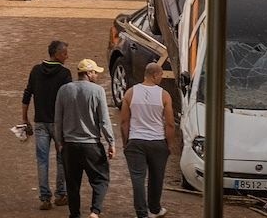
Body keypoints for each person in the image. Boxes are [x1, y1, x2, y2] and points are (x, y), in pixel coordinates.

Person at [54, 59, 115, 218]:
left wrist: (59, 142)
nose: (96, 75)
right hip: (91, 145)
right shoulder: (98, 91)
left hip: (69, 146)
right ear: (88, 73)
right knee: (101, 179)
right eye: (95, 72)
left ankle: (75, 215)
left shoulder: (63, 90)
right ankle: (95, 211)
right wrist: (111, 142)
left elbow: (58, 120)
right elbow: (104, 120)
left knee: (72, 184)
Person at [120, 62, 176, 218]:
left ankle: (141, 213)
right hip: (157, 141)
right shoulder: (164, 95)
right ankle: (155, 208)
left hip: (136, 140)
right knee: (157, 177)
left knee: (137, 178)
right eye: (161, 75)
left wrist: (126, 142)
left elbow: (124, 121)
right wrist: (170, 144)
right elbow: (170, 123)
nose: (162, 78)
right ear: (154, 75)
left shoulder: (130, 93)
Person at [23, 41, 73, 209]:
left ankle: (45, 198)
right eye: (65, 53)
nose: (67, 56)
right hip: (59, 124)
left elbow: (27, 94)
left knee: (42, 161)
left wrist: (25, 118)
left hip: (40, 123)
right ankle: (61, 195)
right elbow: (68, 101)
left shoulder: (36, 71)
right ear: (57, 54)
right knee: (61, 159)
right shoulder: (65, 74)